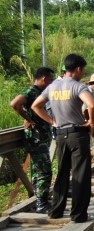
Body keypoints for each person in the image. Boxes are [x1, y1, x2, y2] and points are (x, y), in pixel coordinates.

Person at [32, 53, 94, 223]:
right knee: (81, 175)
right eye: (82, 70)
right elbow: (91, 104)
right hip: (77, 134)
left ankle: (56, 211)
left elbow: (35, 106)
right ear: (78, 69)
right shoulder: (78, 86)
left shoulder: (52, 86)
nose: (82, 73)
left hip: (60, 135)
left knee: (62, 174)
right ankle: (78, 215)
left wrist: (52, 121)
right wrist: (91, 122)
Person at [10, 67, 55, 213]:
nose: (51, 82)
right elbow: (15, 104)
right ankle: (42, 203)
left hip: (41, 136)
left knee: (37, 170)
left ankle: (40, 199)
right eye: (50, 79)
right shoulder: (32, 91)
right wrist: (28, 119)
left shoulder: (40, 93)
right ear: (43, 78)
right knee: (45, 171)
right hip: (36, 138)